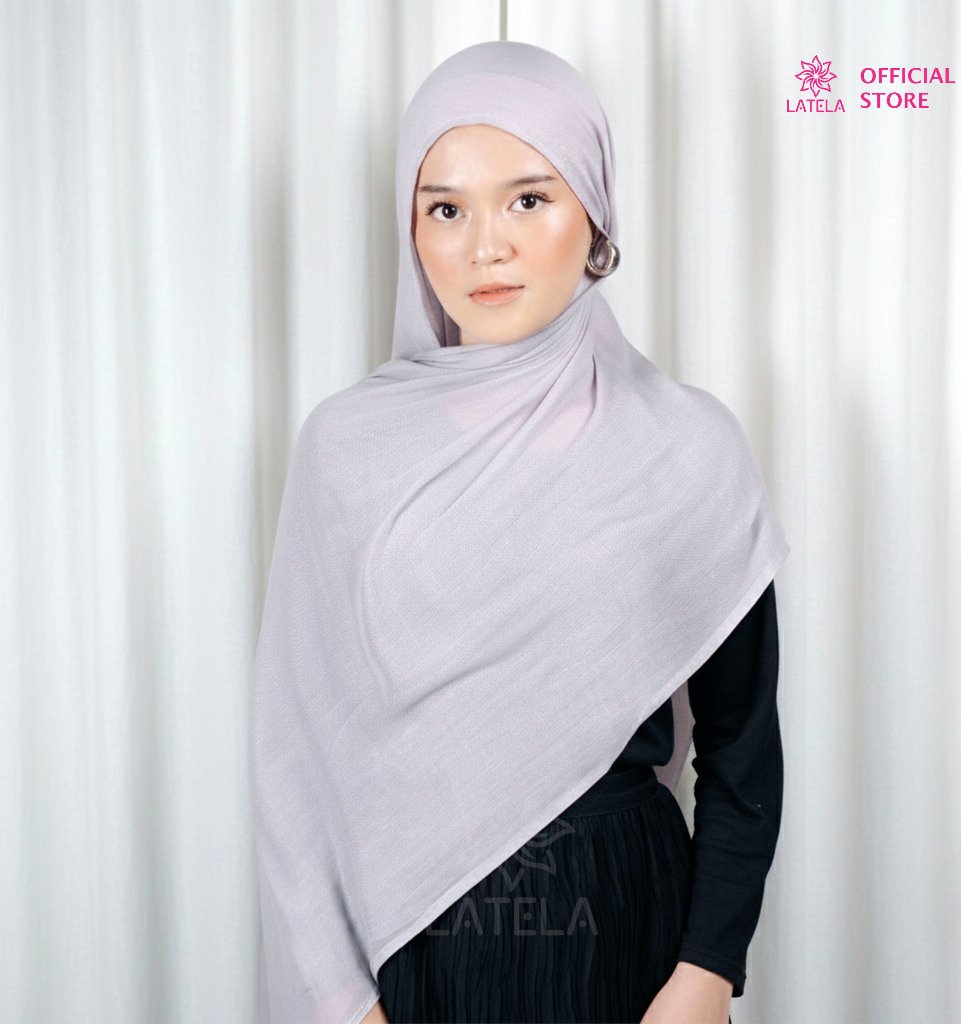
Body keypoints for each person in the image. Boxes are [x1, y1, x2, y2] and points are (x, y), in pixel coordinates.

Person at [249, 41, 789, 1024]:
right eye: (445, 209)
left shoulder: (686, 448)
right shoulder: (347, 450)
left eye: (528, 199)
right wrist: (340, 999)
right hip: (416, 945)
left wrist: (705, 973)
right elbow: (293, 752)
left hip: (631, 934)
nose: (484, 246)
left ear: (595, 215)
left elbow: (741, 743)